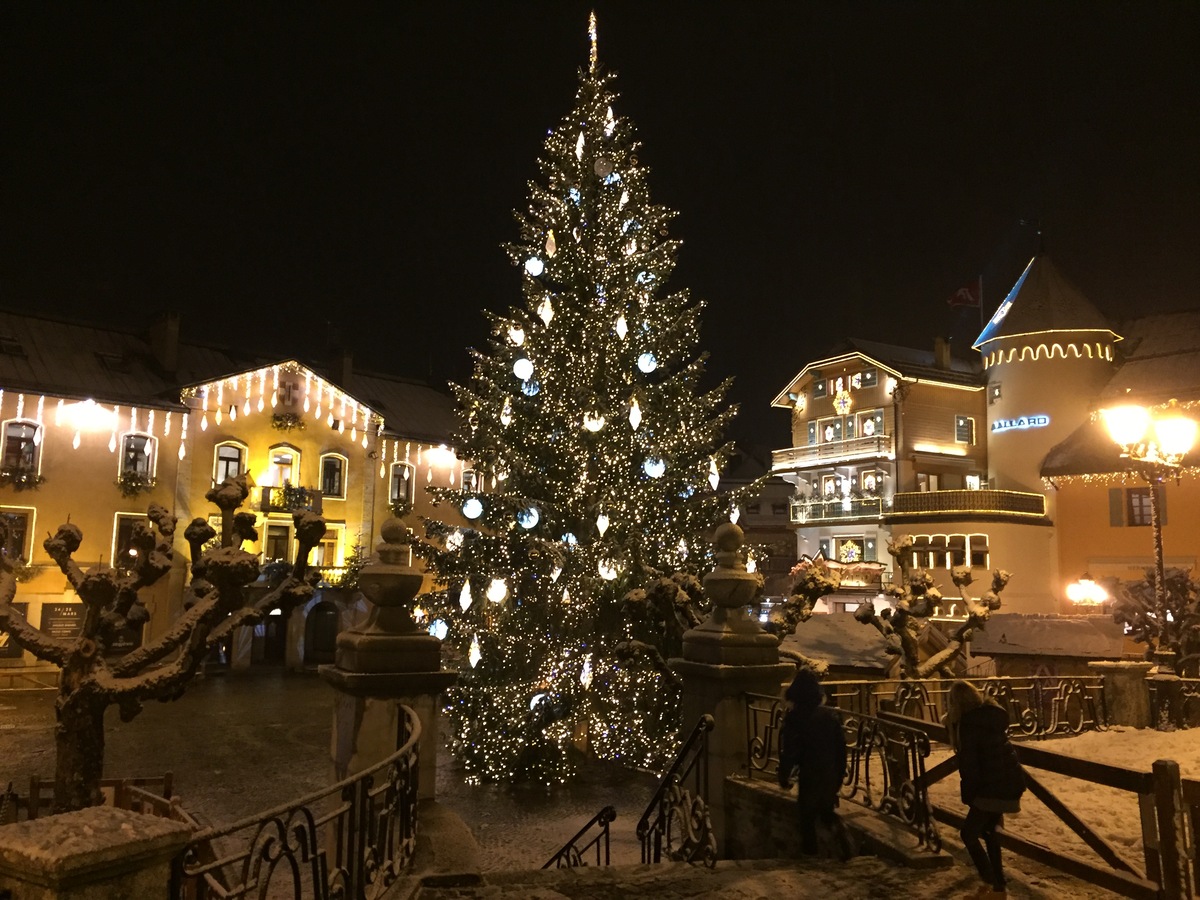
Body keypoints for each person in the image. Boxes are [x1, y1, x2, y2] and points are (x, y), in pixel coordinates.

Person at [945, 681, 1026, 898]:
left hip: (992, 790)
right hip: (1007, 785)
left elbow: (971, 768)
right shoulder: (989, 718)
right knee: (990, 833)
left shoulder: (970, 726)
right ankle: (998, 888)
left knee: (968, 834)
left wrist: (971, 797)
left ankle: (990, 880)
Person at [777, 667, 851, 858]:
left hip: (810, 774)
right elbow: (841, 748)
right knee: (826, 811)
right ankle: (840, 835)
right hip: (830, 772)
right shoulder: (829, 716)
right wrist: (840, 773)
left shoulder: (794, 719)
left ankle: (811, 856)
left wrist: (784, 776)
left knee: (807, 817)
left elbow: (790, 752)